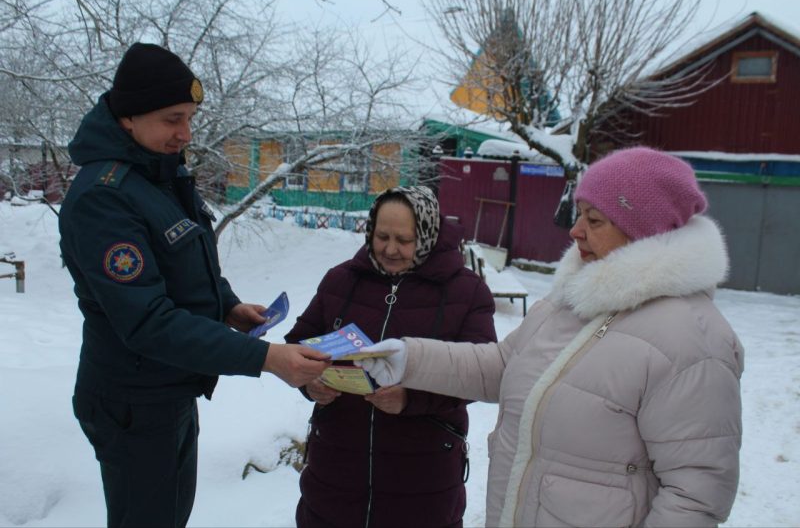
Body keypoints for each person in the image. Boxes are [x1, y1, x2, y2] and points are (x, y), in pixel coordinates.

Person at [362, 147, 744, 527]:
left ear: (642, 230)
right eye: (580, 215)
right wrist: (407, 358)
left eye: (593, 220)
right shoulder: (573, 301)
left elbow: (696, 496)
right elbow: (500, 366)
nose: (575, 230)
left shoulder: (692, 342)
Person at [58, 43, 329, 527]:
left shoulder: (156, 177)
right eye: (171, 119)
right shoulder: (104, 198)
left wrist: (226, 306)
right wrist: (266, 360)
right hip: (133, 401)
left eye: (190, 118)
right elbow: (147, 321)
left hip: (168, 388)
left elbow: (181, 262)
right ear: (127, 118)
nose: (184, 133)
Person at [285, 186, 497, 527]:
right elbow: (299, 342)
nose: (389, 248)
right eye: (381, 236)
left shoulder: (466, 291)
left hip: (422, 478)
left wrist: (411, 398)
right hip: (336, 474)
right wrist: (311, 384)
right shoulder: (342, 280)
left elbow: (481, 372)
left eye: (404, 239)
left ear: (427, 235)